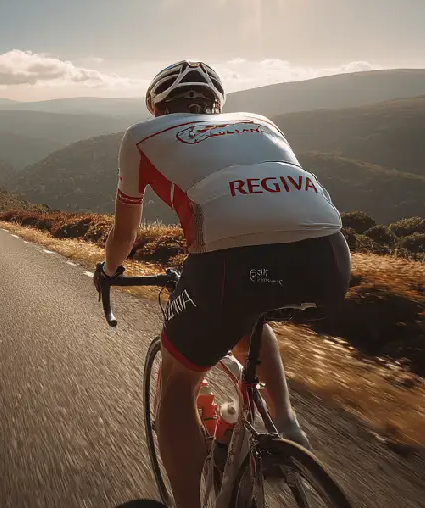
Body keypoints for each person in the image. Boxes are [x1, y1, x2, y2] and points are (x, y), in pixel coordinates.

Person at [93, 60, 351, 508]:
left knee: (176, 384)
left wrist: (109, 271)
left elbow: (125, 233)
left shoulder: (141, 135)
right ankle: (288, 424)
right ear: (216, 105)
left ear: (158, 106)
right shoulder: (259, 121)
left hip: (230, 263)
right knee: (249, 315)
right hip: (329, 255)